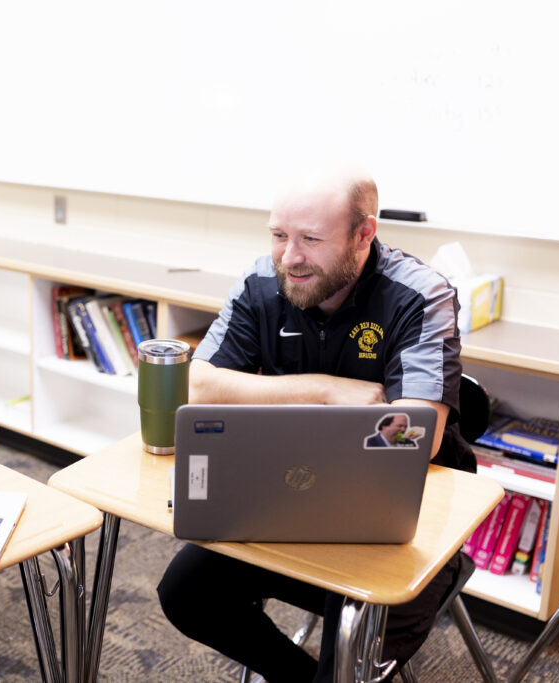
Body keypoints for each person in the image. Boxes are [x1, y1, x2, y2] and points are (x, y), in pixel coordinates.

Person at [156, 163, 474, 682]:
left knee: (350, 648)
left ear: (364, 234)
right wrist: (326, 391)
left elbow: (419, 433)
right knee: (186, 593)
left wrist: (263, 397)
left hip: (401, 526)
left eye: (310, 238)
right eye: (279, 235)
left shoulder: (421, 295)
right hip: (288, 498)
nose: (290, 256)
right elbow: (196, 387)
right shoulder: (263, 280)